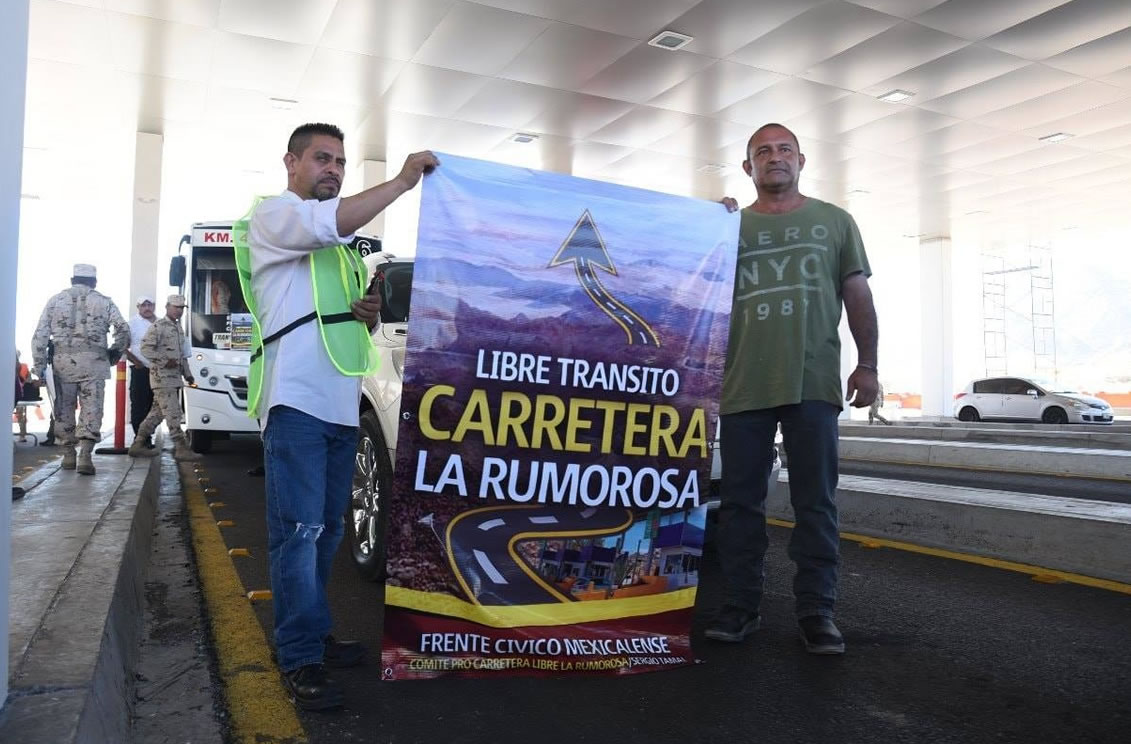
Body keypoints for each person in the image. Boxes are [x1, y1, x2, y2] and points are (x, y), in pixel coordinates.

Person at [238, 122, 438, 711]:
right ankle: (299, 654)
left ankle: (315, 634)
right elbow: (335, 220)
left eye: (341, 162)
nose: (333, 169)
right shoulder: (276, 216)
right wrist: (403, 181)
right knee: (297, 534)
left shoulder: (342, 252)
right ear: (291, 162)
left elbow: (354, 323)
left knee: (325, 532)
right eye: (322, 159)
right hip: (295, 403)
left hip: (340, 406)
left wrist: (367, 312)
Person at [708, 123, 879, 655]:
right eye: (763, 151)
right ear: (748, 167)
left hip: (813, 380)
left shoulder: (835, 221)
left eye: (784, 150)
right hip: (742, 384)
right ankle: (740, 607)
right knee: (739, 504)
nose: (774, 158)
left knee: (816, 503)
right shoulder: (727, 228)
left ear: (801, 160)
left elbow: (858, 297)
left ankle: (816, 611)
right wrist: (703, 225)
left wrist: (867, 365)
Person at [32, 263, 130, 475]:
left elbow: (40, 336)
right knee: (91, 408)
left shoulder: (55, 300)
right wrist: (113, 354)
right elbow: (123, 330)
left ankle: (68, 455)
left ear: (72, 280)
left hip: (62, 365)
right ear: (94, 282)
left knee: (64, 408)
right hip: (94, 364)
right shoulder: (104, 302)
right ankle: (85, 456)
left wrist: (39, 367)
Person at [128, 295, 201, 462]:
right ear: (167, 307)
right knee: (174, 413)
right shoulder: (158, 326)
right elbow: (145, 348)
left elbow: (181, 355)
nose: (179, 311)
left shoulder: (178, 328)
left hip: (174, 379)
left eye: (182, 308)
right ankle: (181, 448)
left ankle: (138, 444)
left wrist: (188, 374)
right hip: (162, 379)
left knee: (156, 414)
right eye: (176, 307)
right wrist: (163, 361)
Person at [126, 295, 158, 448]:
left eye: (149, 305)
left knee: (153, 405)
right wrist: (136, 362)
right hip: (140, 370)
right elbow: (122, 347)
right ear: (138, 307)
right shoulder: (132, 324)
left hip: (158, 371)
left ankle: (147, 436)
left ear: (154, 306)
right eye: (143, 305)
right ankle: (139, 438)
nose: (147, 308)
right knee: (139, 404)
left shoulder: (161, 323)